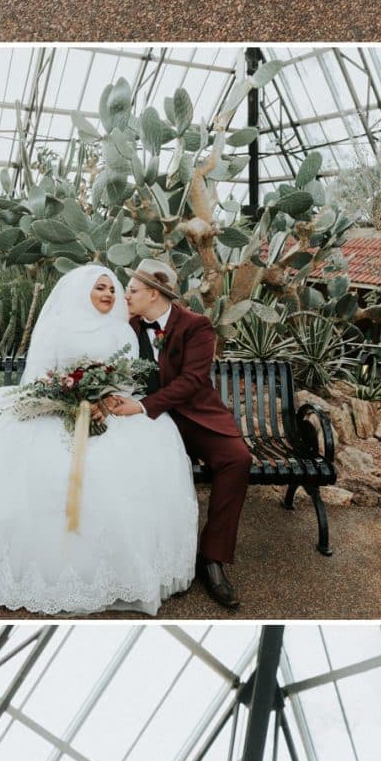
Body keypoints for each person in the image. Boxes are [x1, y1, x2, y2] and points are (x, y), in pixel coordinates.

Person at [0, 263, 197, 616]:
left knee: (127, 474)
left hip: (106, 413)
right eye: (101, 288)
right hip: (54, 408)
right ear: (83, 290)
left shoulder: (123, 332)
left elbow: (125, 383)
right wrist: (64, 398)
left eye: (113, 289)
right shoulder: (59, 326)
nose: (109, 295)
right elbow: (38, 377)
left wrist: (105, 401)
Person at [117, 259, 253, 612]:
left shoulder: (197, 326)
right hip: (146, 421)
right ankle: (140, 554)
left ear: (152, 293)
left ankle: (212, 558)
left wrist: (144, 405)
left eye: (131, 290)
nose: (125, 296)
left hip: (193, 416)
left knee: (237, 460)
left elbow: (192, 381)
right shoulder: (126, 325)